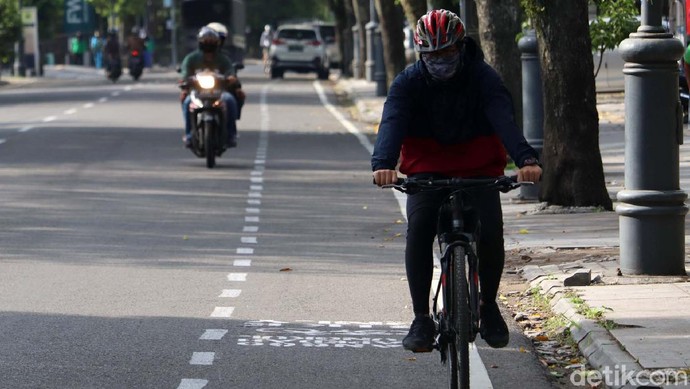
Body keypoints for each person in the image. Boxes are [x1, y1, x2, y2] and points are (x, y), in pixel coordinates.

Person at [371, 9, 542, 353]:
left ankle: (488, 306)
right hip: (427, 167)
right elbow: (392, 122)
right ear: (421, 54)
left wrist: (525, 159)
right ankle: (421, 318)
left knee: (491, 230)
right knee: (419, 229)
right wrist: (384, 164)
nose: (440, 61)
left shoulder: (484, 78)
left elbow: (503, 120)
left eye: (447, 53)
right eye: (432, 55)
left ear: (461, 47)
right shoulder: (407, 82)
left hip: (478, 167)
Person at [179, 27, 245, 148]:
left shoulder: (223, 59)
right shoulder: (191, 59)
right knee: (187, 102)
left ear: (217, 44)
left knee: (230, 100)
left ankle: (231, 134)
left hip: (219, 93)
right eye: (206, 42)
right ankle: (189, 134)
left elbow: (230, 72)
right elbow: (185, 74)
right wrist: (185, 81)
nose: (208, 45)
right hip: (197, 93)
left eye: (211, 42)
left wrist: (231, 78)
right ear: (200, 43)